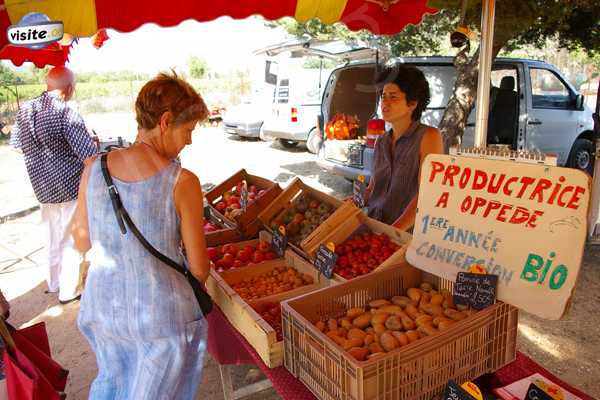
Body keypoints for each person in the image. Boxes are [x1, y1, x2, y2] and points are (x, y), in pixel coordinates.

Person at [71, 71, 211, 399]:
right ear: (165, 121)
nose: (189, 140)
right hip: (161, 319)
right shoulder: (182, 181)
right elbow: (200, 270)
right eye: (188, 130)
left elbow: (81, 240)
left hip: (104, 311)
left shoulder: (94, 167)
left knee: (115, 386)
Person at [10, 66, 97, 304]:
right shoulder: (66, 111)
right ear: (69, 88)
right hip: (69, 184)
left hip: (41, 185)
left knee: (51, 234)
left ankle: (54, 282)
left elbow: (16, 145)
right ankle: (69, 290)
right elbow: (89, 156)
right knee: (70, 236)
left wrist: (41, 161)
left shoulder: (26, 109)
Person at [363, 65, 444, 230]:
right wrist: (352, 202)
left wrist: (393, 232)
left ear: (413, 102)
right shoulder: (382, 141)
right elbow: (373, 187)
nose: (384, 102)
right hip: (374, 228)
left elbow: (428, 194)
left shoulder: (428, 137)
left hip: (406, 236)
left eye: (393, 97)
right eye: (383, 96)